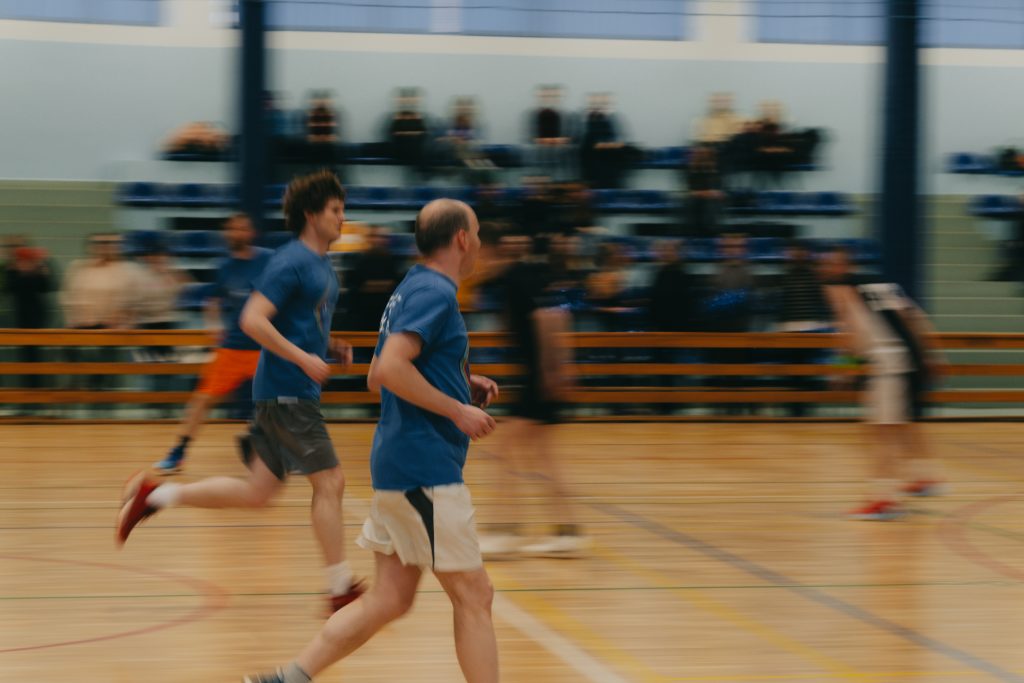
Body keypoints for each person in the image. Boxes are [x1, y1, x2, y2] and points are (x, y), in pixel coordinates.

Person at [243, 198, 500, 683]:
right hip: (425, 469)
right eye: (479, 234)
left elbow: (378, 377)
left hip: (399, 463)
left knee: (389, 598)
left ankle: (288, 678)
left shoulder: (411, 287)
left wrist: (461, 383)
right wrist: (458, 409)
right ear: (462, 239)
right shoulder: (435, 292)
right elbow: (387, 372)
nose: (482, 243)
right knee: (474, 594)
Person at [117, 170, 363, 612]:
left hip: (286, 390)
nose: (342, 218)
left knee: (257, 492)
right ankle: (339, 587)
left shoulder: (322, 264)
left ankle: (154, 496)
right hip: (287, 392)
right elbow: (252, 319)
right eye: (335, 210)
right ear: (311, 215)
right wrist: (302, 358)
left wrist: (328, 345)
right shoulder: (290, 261)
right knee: (331, 481)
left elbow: (298, 323)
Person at [479, 236, 588, 559]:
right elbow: (557, 315)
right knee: (540, 458)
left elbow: (550, 318)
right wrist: (560, 367)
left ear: (489, 250)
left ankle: (504, 532)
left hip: (537, 380)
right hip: (537, 378)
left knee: (506, 452)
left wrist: (553, 370)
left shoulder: (515, 278)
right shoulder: (516, 277)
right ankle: (568, 533)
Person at [821, 247, 947, 520]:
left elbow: (851, 333)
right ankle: (921, 478)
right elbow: (915, 317)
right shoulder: (880, 284)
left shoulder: (839, 289)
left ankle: (884, 500)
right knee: (898, 427)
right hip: (905, 362)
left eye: (830, 264)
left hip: (886, 364)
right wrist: (931, 354)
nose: (828, 268)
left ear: (842, 266)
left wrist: (844, 370)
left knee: (881, 433)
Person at [153, 214, 273, 474]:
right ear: (226, 234)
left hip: (265, 347)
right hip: (233, 347)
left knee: (281, 402)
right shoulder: (224, 267)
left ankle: (285, 452)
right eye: (232, 229)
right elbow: (213, 300)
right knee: (202, 399)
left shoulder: (268, 260)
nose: (237, 232)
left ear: (251, 232)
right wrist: (214, 324)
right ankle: (178, 452)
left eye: (242, 228)